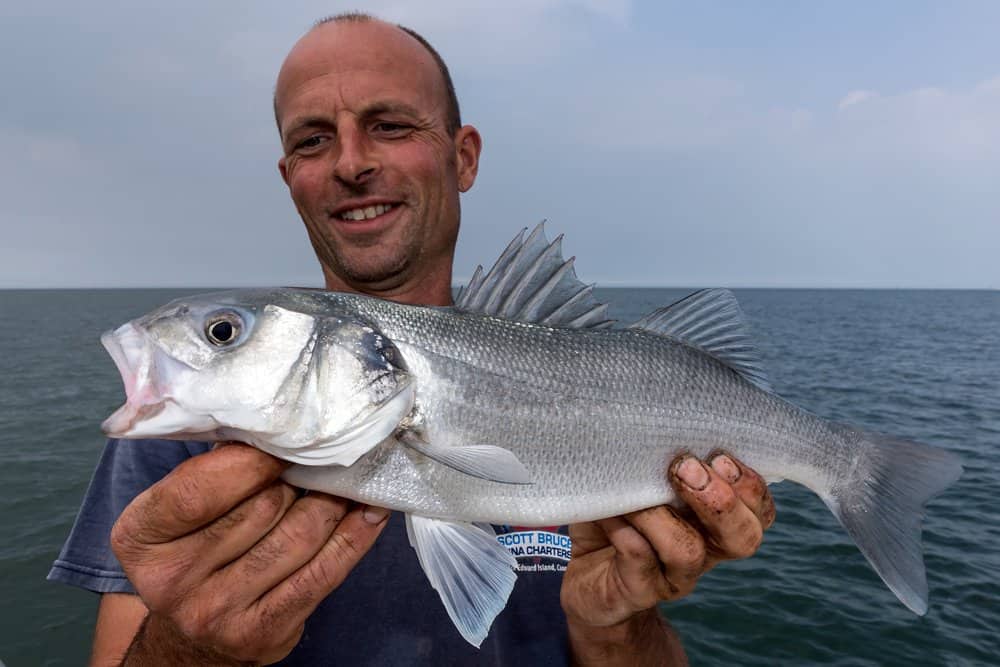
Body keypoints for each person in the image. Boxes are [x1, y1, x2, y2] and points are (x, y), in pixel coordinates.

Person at [50, 13, 775, 666]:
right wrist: (192, 650)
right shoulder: (182, 438)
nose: (350, 162)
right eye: (312, 139)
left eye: (391, 125)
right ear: (289, 178)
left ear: (463, 156)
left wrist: (616, 625)